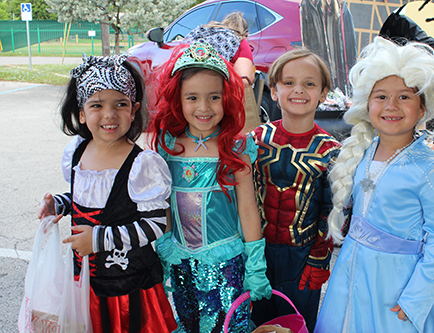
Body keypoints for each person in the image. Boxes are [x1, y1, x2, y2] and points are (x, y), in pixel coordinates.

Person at [315, 36, 434, 333]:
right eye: (381, 96)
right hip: (349, 276)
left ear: (422, 109)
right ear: (367, 104)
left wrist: (415, 298)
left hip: (395, 286)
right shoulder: (361, 152)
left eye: (404, 96)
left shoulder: (431, 170)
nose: (391, 105)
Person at [37, 54, 177, 333]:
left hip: (127, 288)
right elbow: (87, 198)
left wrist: (98, 239)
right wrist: (61, 204)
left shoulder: (141, 164)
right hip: (85, 283)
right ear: (81, 113)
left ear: (134, 109)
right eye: (97, 105)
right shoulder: (78, 152)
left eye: (120, 104)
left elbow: (155, 224)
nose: (110, 114)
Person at [148, 41, 272, 332]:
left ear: (226, 99)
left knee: (226, 325)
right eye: (192, 97)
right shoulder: (169, 144)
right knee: (189, 323)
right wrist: (166, 240)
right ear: (177, 99)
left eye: (213, 97)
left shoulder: (236, 146)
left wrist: (255, 266)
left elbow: (247, 208)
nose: (203, 107)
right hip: (181, 262)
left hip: (226, 264)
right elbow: (164, 199)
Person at [251, 48, 341, 332]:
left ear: (324, 93)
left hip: (302, 258)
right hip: (256, 253)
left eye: (309, 83)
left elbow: (332, 212)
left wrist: (319, 258)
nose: (298, 90)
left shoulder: (332, 152)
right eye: (288, 82)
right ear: (274, 91)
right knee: (255, 324)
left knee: (296, 325)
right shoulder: (255, 140)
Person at [184, 11, 261, 132]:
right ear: (245, 32)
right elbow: (244, 80)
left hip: (189, 108)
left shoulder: (199, 36)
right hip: (220, 107)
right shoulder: (238, 40)